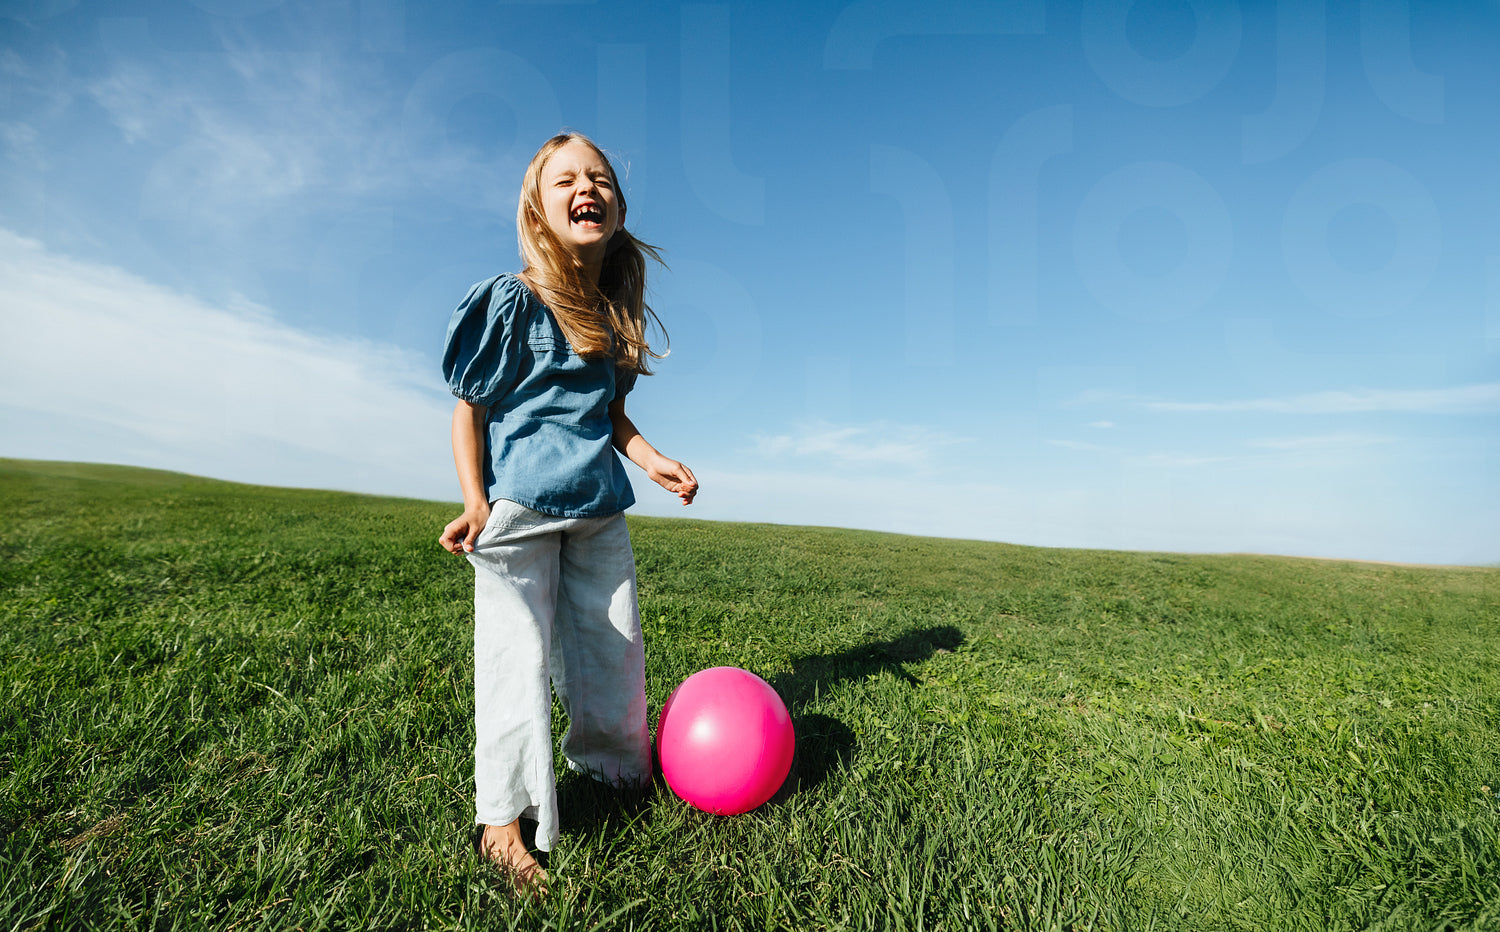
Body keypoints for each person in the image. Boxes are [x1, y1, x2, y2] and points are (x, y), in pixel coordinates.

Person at [437, 132, 698, 894]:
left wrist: (650, 459)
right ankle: (502, 823)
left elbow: (609, 416)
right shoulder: (513, 301)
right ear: (537, 212)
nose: (587, 187)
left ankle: (619, 777)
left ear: (618, 209)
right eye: (566, 180)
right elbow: (469, 411)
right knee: (514, 659)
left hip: (599, 512)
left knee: (612, 648)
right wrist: (476, 500)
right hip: (519, 512)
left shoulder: (610, 317)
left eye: (601, 179)